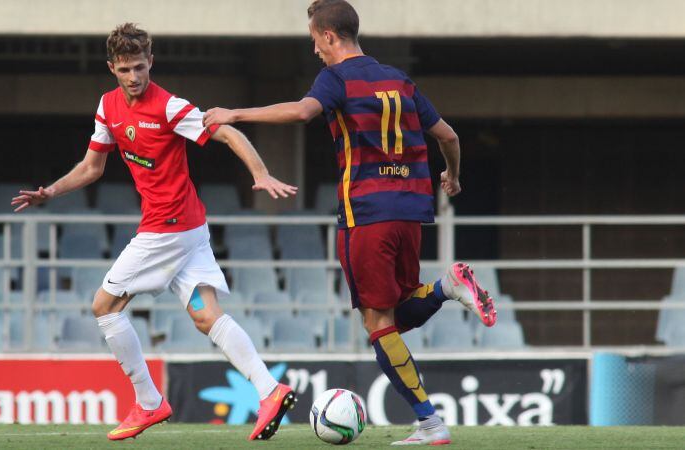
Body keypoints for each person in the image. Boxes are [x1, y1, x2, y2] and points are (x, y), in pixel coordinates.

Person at [203, 0, 497, 445]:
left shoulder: (336, 77)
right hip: (411, 211)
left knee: (378, 322)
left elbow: (302, 113)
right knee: (394, 312)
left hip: (366, 213)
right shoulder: (399, 79)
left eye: (314, 42)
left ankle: (431, 423)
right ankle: (445, 289)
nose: (315, 52)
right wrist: (452, 176)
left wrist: (234, 114)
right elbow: (449, 136)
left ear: (329, 36)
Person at [11, 23, 298, 442]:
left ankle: (148, 401)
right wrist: (51, 191)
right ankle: (270, 391)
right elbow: (93, 167)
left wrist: (261, 172)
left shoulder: (169, 107)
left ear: (151, 63)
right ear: (112, 67)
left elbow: (228, 131)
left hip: (168, 231)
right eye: (125, 69)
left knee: (105, 305)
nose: (134, 77)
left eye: (140, 67)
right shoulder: (108, 107)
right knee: (206, 316)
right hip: (189, 233)